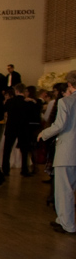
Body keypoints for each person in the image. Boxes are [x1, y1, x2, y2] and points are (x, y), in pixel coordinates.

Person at [38, 70, 76, 235]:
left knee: (64, 190)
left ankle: (67, 224)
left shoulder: (65, 102)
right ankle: (62, 220)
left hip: (67, 150)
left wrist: (43, 134)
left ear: (69, 84)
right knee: (70, 188)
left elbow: (59, 125)